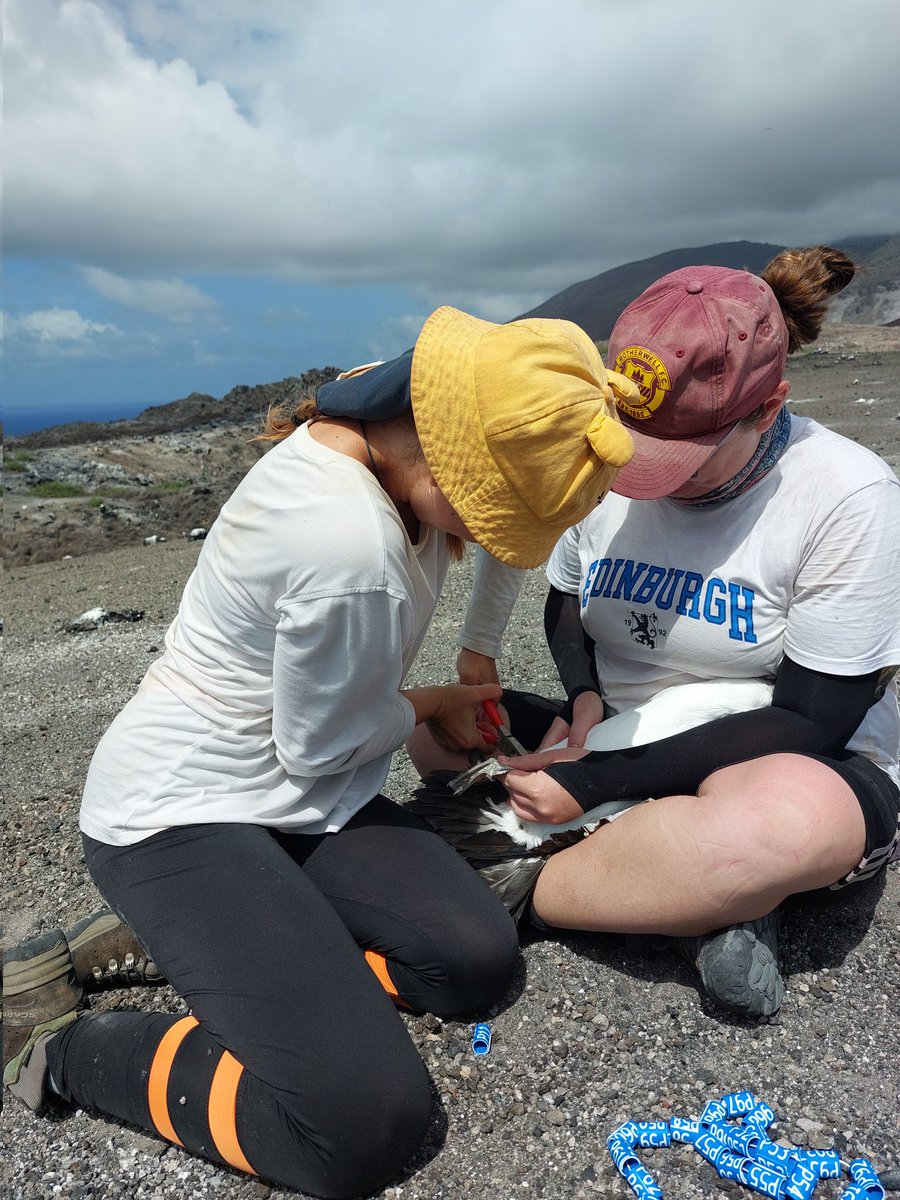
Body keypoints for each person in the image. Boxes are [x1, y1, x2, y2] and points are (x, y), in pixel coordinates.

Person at [2, 306, 638, 1198]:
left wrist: (478, 652)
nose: (500, 535)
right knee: (361, 1121)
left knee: (474, 962)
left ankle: (225, 938)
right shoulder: (347, 543)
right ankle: (55, 1046)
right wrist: (438, 703)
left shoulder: (407, 405)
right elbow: (321, 743)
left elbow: (505, 520)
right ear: (445, 456)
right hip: (179, 812)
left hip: (303, 796)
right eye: (494, 510)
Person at [410, 248, 900, 1020]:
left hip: (770, 753)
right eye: (638, 447)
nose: (649, 478)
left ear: (768, 408)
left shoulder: (847, 494)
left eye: (685, 458)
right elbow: (568, 603)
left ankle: (516, 887)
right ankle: (690, 902)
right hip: (621, 724)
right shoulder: (607, 451)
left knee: (786, 829)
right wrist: (585, 700)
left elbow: (816, 718)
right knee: (438, 739)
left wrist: (595, 783)